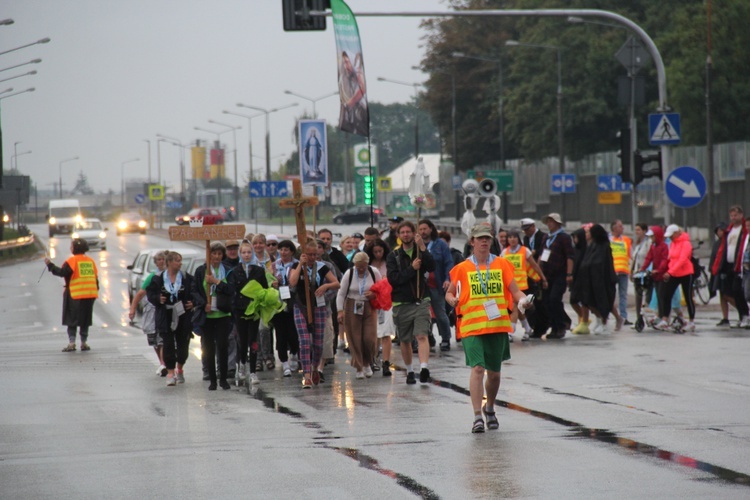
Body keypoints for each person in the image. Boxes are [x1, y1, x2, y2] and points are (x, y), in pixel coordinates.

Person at [445, 224, 532, 433]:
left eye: (487, 238)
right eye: (479, 238)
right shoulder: (462, 268)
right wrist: (452, 300)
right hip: (471, 326)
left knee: (494, 374)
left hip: (496, 325)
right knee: (477, 369)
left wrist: (524, 300)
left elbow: (515, 290)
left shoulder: (501, 264)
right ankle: (477, 416)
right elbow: (448, 292)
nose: (484, 241)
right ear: (471, 242)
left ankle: (490, 407)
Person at [386, 220, 436, 385]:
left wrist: (422, 248)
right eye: (403, 232)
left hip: (421, 299)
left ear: (414, 233)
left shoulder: (420, 252)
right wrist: (411, 269)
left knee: (422, 335)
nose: (406, 235)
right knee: (405, 340)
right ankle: (409, 370)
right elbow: (394, 279)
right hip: (401, 303)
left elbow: (431, 266)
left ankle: (423, 368)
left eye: (409, 232)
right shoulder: (393, 256)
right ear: (399, 236)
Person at [289, 239, 340, 388]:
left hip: (318, 306)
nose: (312, 257)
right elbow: (292, 282)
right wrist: (300, 264)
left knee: (318, 344)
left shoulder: (322, 267)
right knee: (304, 341)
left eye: (314, 254)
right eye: (309, 255)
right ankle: (306, 375)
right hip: (301, 306)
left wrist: (326, 285)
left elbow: (337, 283)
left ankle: (314, 368)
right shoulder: (295, 266)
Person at [146, 251, 196, 386]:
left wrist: (193, 302)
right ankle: (170, 372)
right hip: (166, 315)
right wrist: (158, 298)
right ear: (169, 262)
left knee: (183, 345)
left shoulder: (186, 277)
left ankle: (180, 368)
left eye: (180, 260)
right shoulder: (158, 278)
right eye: (177, 260)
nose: (180, 263)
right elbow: (150, 294)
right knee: (167, 343)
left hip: (183, 314)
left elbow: (195, 292)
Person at [191, 242, 234, 391]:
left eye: (219, 254)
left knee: (222, 346)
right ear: (209, 255)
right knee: (208, 348)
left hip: (223, 314)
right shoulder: (201, 271)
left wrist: (216, 281)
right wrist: (203, 304)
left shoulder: (228, 270)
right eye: (213, 254)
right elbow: (195, 291)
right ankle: (212, 380)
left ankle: (223, 378)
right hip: (208, 315)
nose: (216, 257)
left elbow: (231, 289)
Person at [45, 238, 99, 352]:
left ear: (74, 248)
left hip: (75, 294)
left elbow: (62, 272)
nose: (70, 248)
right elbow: (96, 279)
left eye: (71, 246)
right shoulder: (90, 261)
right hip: (89, 294)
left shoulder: (72, 261)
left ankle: (72, 342)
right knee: (85, 319)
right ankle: (84, 342)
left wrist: (50, 265)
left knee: (71, 319)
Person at [227, 240, 268, 385]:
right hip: (240, 310)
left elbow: (264, 289)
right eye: (243, 252)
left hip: (254, 309)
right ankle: (242, 365)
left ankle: (253, 372)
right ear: (240, 254)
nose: (246, 255)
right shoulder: (235, 271)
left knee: (253, 340)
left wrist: (261, 302)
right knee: (242, 340)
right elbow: (231, 291)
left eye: (249, 252)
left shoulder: (258, 270)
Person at [337, 252, 381, 379]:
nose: (361, 269)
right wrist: (340, 311)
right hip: (352, 305)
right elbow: (341, 293)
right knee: (354, 337)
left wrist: (374, 295)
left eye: (363, 266)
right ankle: (359, 366)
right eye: (358, 266)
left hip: (369, 306)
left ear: (367, 264)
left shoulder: (374, 272)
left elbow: (381, 289)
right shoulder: (349, 273)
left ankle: (368, 362)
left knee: (369, 338)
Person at [501, 229, 546, 341]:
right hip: (509, 286)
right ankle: (527, 329)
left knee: (515, 307)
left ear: (518, 239)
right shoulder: (504, 253)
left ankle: (511, 332)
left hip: (521, 286)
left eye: (514, 237)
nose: (512, 239)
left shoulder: (524, 251)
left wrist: (542, 278)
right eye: (510, 237)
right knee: (518, 308)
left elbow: (534, 265)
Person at [128, 250, 168, 375]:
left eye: (163, 259)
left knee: (162, 340)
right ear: (155, 263)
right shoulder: (151, 277)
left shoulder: (170, 275)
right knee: (154, 341)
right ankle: (162, 363)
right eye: (159, 260)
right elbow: (140, 293)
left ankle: (164, 364)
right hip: (152, 312)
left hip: (165, 312)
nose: (161, 262)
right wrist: (133, 309)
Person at [418, 219, 454, 351]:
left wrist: (447, 278)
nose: (423, 232)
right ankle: (427, 336)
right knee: (422, 314)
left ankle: (445, 338)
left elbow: (449, 262)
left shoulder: (440, 245)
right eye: (420, 229)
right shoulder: (416, 245)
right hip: (421, 286)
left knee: (440, 313)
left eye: (425, 229)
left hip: (436, 285)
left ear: (431, 229)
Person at [711, 205, 749, 328]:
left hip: (740, 265)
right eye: (731, 215)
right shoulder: (730, 229)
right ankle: (742, 316)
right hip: (728, 265)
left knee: (740, 291)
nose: (733, 218)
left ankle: (746, 315)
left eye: (736, 215)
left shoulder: (744, 229)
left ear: (741, 215)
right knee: (732, 291)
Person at [539, 213, 575, 339]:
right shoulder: (546, 238)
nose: (549, 224)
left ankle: (561, 325)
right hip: (547, 275)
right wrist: (539, 272)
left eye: (552, 222)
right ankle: (554, 327)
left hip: (560, 274)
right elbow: (542, 255)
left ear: (557, 223)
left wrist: (569, 274)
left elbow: (570, 256)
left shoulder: (563, 237)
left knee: (555, 299)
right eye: (548, 222)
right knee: (546, 301)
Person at [579, 224, 618, 334]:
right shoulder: (592, 245)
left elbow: (601, 263)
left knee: (602, 301)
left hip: (603, 280)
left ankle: (605, 323)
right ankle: (599, 321)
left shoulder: (604, 246)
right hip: (592, 279)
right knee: (590, 301)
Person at [270, 239, 300, 377]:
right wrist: (273, 283)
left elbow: (295, 282)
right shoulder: (274, 265)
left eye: (286, 250)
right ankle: (284, 362)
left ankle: (294, 353)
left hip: (293, 301)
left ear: (292, 251)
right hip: (278, 302)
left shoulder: (296, 264)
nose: (283, 252)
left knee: (293, 332)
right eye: (281, 249)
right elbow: (268, 279)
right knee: (280, 333)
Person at [658, 225, 695, 332]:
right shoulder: (673, 244)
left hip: (686, 273)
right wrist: (667, 270)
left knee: (688, 298)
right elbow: (671, 258)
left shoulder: (686, 243)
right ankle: (665, 319)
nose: (670, 238)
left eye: (671, 235)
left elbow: (682, 259)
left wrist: (670, 272)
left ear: (676, 233)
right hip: (673, 273)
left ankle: (691, 321)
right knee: (666, 295)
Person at [366, 239, 395, 376]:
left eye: (380, 251)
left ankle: (386, 362)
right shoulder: (368, 265)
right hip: (371, 300)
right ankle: (373, 358)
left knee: (385, 332)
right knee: (372, 333)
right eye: (375, 252)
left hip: (386, 301)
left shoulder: (389, 262)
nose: (378, 254)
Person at [640, 226, 669, 325]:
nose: (651, 239)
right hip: (655, 276)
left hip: (662, 275)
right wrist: (643, 267)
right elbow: (649, 258)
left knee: (662, 296)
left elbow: (665, 260)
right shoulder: (653, 246)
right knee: (658, 295)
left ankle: (663, 316)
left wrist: (659, 270)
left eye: (652, 237)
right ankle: (660, 315)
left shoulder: (664, 246)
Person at [338, 50, 368, 136]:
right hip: (351, 116)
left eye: (347, 62)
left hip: (361, 113)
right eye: (344, 63)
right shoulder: (345, 79)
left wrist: (350, 103)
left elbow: (363, 89)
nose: (346, 66)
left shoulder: (358, 74)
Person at [609, 219, 632, 328]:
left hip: (624, 271)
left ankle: (623, 317)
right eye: (620, 226)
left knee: (623, 295)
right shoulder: (608, 239)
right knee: (611, 295)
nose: (622, 228)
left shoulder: (627, 240)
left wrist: (631, 270)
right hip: (612, 272)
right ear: (614, 228)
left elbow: (629, 255)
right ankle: (610, 315)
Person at [630, 223, 653, 329]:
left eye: (638, 230)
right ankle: (638, 319)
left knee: (647, 295)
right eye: (636, 230)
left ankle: (649, 316)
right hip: (637, 273)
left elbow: (650, 257)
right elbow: (634, 259)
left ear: (644, 231)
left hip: (646, 273)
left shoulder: (649, 243)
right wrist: (631, 271)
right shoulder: (638, 244)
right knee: (638, 296)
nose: (637, 232)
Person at [569, 227, 590, 334]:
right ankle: (583, 319)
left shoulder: (586, 250)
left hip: (583, 280)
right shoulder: (574, 249)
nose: (574, 240)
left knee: (581, 301)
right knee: (574, 301)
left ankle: (584, 321)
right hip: (575, 279)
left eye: (576, 237)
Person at [709, 223, 729, 325]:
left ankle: (743, 312)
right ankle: (725, 317)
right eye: (718, 230)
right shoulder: (717, 243)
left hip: (726, 271)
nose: (719, 232)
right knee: (722, 295)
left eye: (721, 230)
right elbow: (713, 257)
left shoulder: (728, 242)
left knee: (728, 295)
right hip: (717, 271)